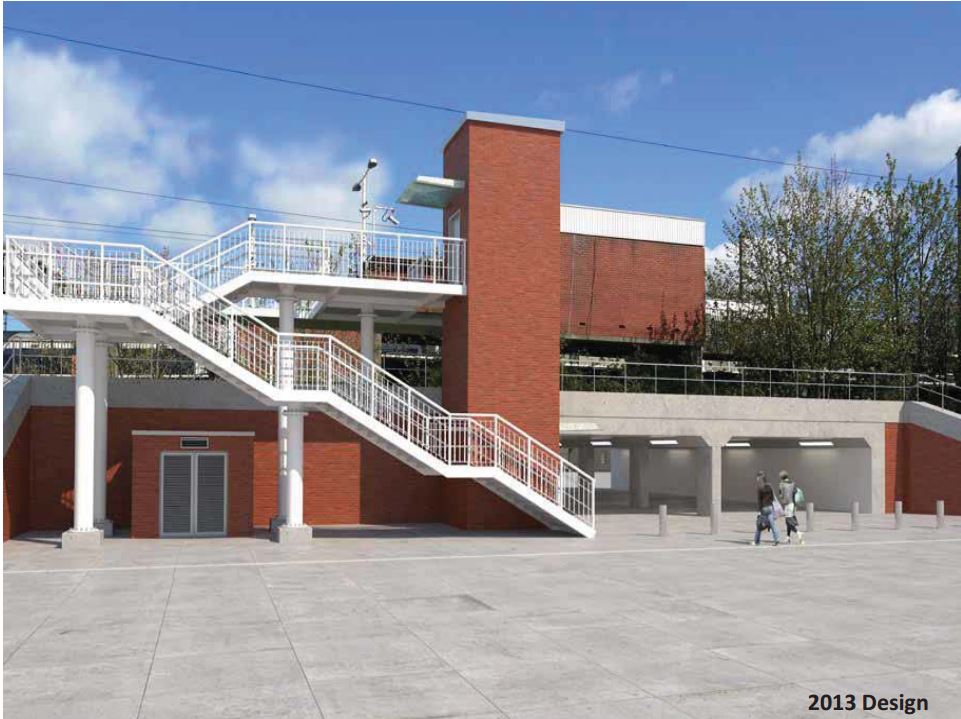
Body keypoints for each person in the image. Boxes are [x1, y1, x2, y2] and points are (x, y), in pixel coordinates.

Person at [754, 471, 781, 546]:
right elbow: (772, 498)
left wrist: (759, 510)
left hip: (763, 508)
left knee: (759, 524)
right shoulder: (769, 487)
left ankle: (757, 541)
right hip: (770, 507)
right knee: (773, 524)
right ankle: (777, 539)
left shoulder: (760, 488)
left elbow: (759, 500)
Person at [778, 470, 805, 545]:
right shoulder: (793, 483)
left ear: (781, 477)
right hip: (793, 504)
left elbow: (781, 495)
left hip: (787, 504)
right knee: (788, 520)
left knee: (788, 520)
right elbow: (795, 492)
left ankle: (798, 532)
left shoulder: (781, 484)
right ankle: (788, 537)